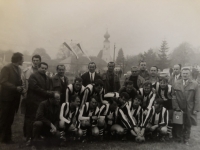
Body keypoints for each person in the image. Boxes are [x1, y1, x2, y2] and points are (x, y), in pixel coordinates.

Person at [24, 62, 57, 146]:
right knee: (31, 120)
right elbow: (35, 88)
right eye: (42, 68)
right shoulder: (33, 76)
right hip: (33, 102)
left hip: (42, 102)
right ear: (38, 68)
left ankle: (38, 137)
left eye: (45, 68)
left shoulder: (47, 77)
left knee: (40, 119)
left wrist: (50, 93)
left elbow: (49, 88)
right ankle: (29, 138)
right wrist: (47, 93)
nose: (44, 70)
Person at [172, 67, 200, 145]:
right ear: (181, 73)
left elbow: (197, 98)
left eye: (186, 73)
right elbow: (173, 97)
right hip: (179, 106)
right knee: (178, 123)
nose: (185, 75)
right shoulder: (176, 83)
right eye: (183, 73)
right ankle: (178, 138)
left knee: (188, 123)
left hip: (189, 107)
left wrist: (196, 109)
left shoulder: (195, 84)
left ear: (189, 74)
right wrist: (176, 107)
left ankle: (186, 139)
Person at [0, 52, 24, 144]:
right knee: (4, 118)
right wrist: (15, 88)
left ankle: (7, 137)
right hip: (6, 98)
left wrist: (21, 87)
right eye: (22, 59)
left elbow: (17, 82)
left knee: (10, 119)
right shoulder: (6, 68)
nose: (23, 61)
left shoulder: (18, 69)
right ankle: (3, 138)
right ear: (18, 60)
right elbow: (3, 81)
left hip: (14, 99)